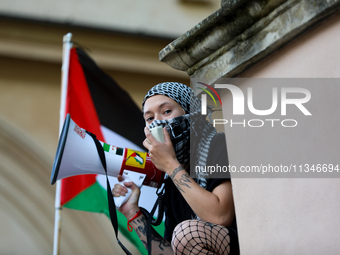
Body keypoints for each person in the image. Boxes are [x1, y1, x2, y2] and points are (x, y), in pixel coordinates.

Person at [112, 82, 239, 255]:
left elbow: (221, 216)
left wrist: (171, 165)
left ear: (190, 112)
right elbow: (171, 252)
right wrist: (133, 213)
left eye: (166, 111)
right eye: (150, 118)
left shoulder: (219, 146)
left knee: (185, 234)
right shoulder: (172, 181)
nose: (157, 123)